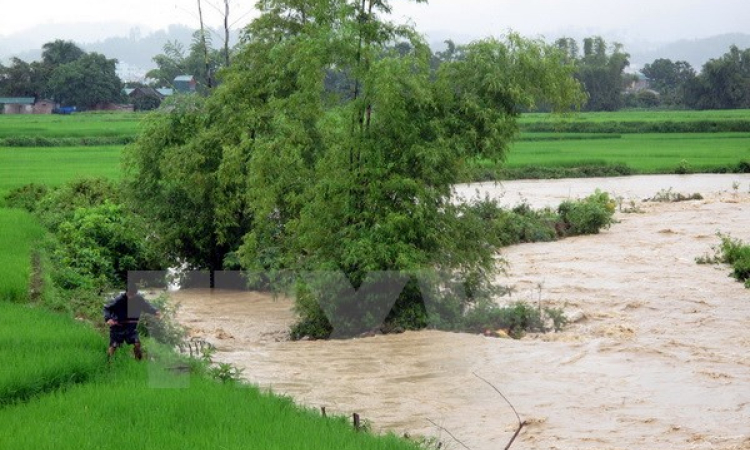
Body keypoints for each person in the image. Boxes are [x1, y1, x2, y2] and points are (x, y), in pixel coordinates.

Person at [104, 284, 160, 360]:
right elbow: (107, 308)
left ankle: (138, 362)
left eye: (132, 295)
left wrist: (155, 311)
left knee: (137, 344)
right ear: (126, 292)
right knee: (113, 346)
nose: (130, 297)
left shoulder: (139, 299)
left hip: (130, 328)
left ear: (136, 293)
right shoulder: (119, 300)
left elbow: (146, 306)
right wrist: (108, 318)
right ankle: (108, 363)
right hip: (117, 327)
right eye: (129, 294)